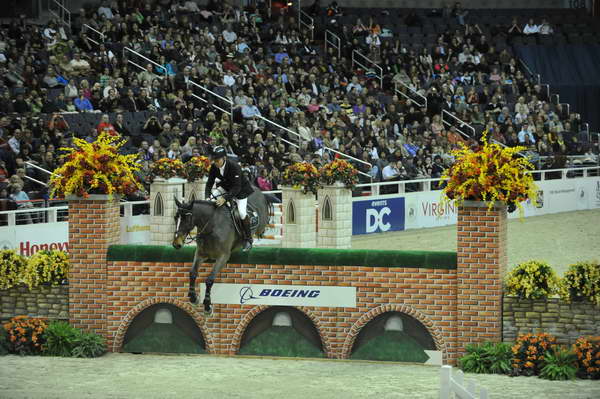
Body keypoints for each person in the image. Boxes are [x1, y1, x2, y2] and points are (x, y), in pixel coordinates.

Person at [204, 146, 255, 251]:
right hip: (226, 187)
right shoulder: (214, 167)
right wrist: (207, 196)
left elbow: (236, 187)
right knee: (210, 202)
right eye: (214, 160)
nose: (215, 162)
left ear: (224, 158)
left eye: (217, 160)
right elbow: (209, 183)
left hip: (240, 191)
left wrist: (224, 199)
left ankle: (248, 239)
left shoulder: (234, 166)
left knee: (241, 213)